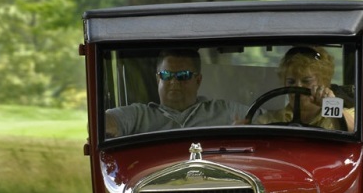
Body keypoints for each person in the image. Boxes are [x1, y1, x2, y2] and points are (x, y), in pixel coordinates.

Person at [105, 49, 254, 137]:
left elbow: (268, 119)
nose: (174, 82)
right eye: (166, 75)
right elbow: (101, 123)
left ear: (198, 80)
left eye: (183, 75)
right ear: (158, 79)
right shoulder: (139, 115)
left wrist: (245, 128)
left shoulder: (224, 110)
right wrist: (108, 127)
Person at [257, 46, 355, 132]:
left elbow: (353, 134)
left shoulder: (347, 115)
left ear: (323, 82)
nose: (298, 86)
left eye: (306, 81)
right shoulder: (267, 121)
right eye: (291, 82)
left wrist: (331, 104)